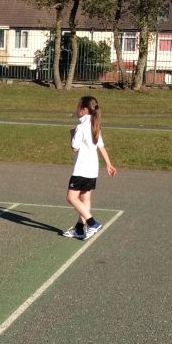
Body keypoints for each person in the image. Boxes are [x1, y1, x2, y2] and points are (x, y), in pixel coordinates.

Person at [63, 94, 116, 240]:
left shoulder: (80, 127)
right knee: (84, 197)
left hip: (81, 168)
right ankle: (79, 228)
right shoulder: (95, 125)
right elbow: (101, 146)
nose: (77, 108)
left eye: (78, 106)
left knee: (71, 197)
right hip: (93, 169)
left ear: (84, 109)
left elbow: (74, 148)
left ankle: (92, 223)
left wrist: (72, 134)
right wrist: (109, 164)